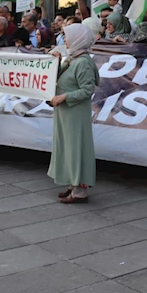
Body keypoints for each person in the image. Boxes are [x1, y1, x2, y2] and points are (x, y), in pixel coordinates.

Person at [48, 23, 100, 203]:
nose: (65, 40)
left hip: (75, 113)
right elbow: (60, 78)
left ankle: (80, 191)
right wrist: (57, 61)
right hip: (67, 112)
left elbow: (87, 90)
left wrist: (64, 97)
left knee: (77, 147)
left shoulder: (83, 62)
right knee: (68, 147)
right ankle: (73, 183)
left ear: (78, 39)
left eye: (67, 36)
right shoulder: (72, 59)